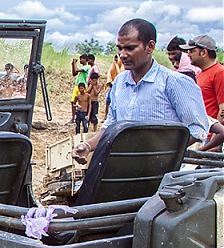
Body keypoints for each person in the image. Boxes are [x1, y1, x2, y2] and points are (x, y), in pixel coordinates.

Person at [72, 18, 208, 164]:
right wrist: (87, 146)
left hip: (164, 174)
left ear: (150, 46)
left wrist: (159, 153)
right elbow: (111, 126)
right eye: (120, 48)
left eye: (130, 48)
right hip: (127, 169)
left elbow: (197, 129)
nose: (123, 54)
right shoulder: (119, 82)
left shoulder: (174, 83)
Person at [181, 35, 224, 124]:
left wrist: (215, 135)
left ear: (204, 52)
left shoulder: (219, 73)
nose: (188, 55)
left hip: (213, 133)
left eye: (192, 51)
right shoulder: (200, 74)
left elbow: (223, 109)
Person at [70, 54, 90, 124]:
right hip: (77, 86)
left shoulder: (86, 67)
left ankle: (82, 116)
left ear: (85, 60)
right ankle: (73, 117)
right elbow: (74, 73)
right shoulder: (82, 67)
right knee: (73, 101)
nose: (80, 60)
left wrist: (75, 63)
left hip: (82, 87)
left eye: (81, 59)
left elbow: (77, 70)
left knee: (82, 101)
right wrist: (73, 65)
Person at [104, 54, 124, 119]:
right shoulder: (113, 65)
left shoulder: (123, 67)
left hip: (120, 86)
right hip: (112, 85)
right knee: (108, 101)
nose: (115, 60)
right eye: (115, 58)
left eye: (116, 59)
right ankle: (106, 116)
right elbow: (110, 74)